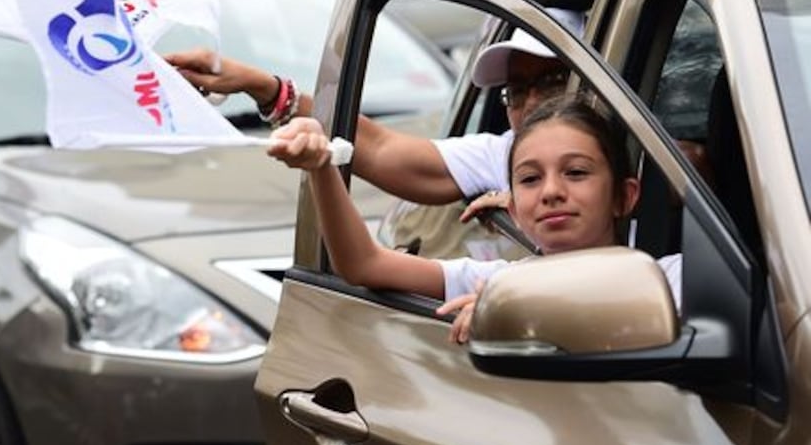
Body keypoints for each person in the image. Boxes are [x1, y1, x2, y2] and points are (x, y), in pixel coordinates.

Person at [267, 94, 682, 344]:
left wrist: (523, 310)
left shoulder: (673, 280)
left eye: (576, 173)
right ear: (514, 209)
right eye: (531, 179)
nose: (553, 191)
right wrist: (321, 168)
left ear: (624, 196)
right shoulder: (498, 285)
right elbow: (363, 264)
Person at [167, 8, 586, 223]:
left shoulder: (644, 155)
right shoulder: (505, 154)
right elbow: (382, 149)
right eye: (515, 91)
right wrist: (266, 88)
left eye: (550, 82)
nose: (530, 104)